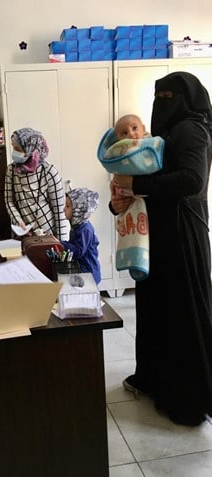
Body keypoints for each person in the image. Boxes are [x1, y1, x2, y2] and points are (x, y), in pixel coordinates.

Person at [111, 71, 212, 426]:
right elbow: (142, 186)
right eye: (159, 95)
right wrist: (120, 198)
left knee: (180, 316)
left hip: (182, 237)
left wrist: (134, 184)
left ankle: (186, 400)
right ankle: (156, 381)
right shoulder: (162, 136)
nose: (162, 102)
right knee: (157, 312)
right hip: (157, 238)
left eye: (169, 95)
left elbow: (192, 180)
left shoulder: (191, 129)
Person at [98, 114, 164, 280]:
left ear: (143, 128)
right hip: (132, 212)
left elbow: (164, 184)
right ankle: (135, 259)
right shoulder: (119, 156)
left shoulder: (153, 147)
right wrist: (115, 204)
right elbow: (116, 188)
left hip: (160, 223)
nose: (131, 135)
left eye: (134, 128)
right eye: (124, 133)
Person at [4, 127, 68, 240]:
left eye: (18, 148)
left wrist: (61, 244)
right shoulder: (11, 170)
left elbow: (59, 212)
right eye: (13, 147)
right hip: (23, 235)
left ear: (30, 149)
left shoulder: (49, 172)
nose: (14, 152)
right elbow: (9, 200)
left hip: (48, 235)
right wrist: (18, 220)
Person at [60, 188, 101, 285]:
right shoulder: (76, 226)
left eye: (68, 206)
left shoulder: (85, 229)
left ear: (79, 210)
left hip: (88, 274)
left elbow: (77, 251)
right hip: (81, 272)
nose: (64, 209)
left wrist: (60, 244)